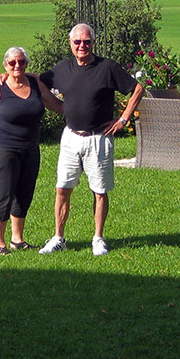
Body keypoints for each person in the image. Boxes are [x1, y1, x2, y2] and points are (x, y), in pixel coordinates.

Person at [37, 23, 144, 256]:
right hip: (71, 138)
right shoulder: (62, 69)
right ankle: (58, 238)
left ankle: (98, 238)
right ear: (70, 43)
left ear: (93, 43)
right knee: (62, 188)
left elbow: (137, 89)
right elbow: (39, 82)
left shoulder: (107, 68)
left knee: (99, 191)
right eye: (77, 42)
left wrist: (123, 119)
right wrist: (10, 76)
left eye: (86, 42)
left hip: (99, 139)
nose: (82, 46)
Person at [0, 46, 63, 255]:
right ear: (5, 65)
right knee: (4, 194)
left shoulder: (35, 84)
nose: (17, 65)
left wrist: (82, 111)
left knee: (25, 193)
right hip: (5, 149)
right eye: (12, 62)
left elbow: (56, 105)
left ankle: (17, 239)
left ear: (26, 64)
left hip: (31, 149)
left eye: (21, 62)